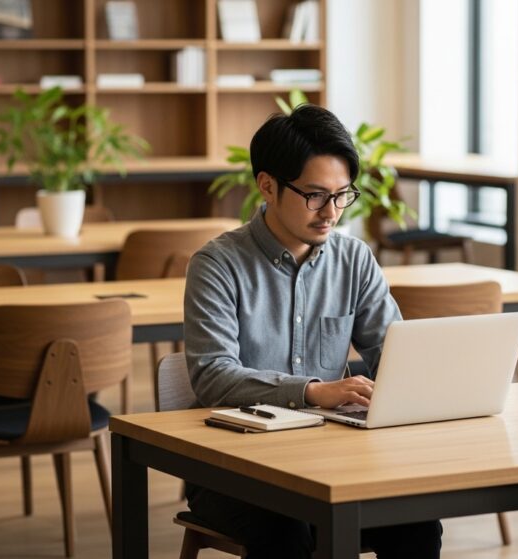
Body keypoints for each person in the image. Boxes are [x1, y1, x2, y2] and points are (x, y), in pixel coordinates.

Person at [184, 104, 442, 558]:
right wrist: (312, 391)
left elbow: (395, 356)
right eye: (315, 196)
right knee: (287, 528)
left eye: (343, 195)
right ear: (267, 185)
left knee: (417, 521)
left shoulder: (354, 260)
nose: (332, 212)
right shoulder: (217, 265)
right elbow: (212, 375)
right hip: (235, 468)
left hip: (333, 459)